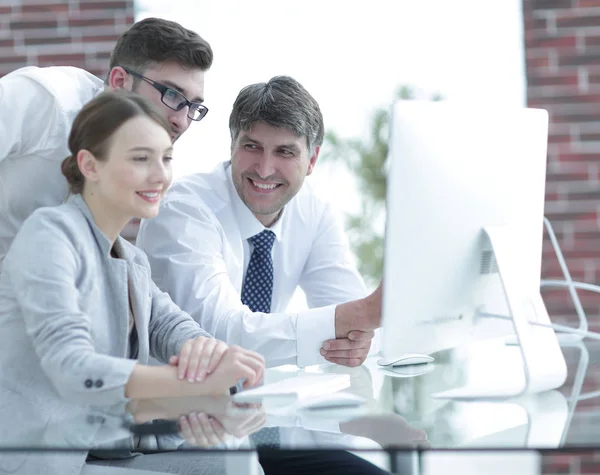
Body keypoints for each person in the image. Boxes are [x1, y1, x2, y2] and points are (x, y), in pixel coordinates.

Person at [0, 91, 265, 475]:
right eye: (141, 158)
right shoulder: (50, 235)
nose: (160, 175)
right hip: (34, 461)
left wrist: (218, 382)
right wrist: (192, 388)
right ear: (89, 165)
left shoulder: (131, 259)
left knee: (233, 459)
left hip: (99, 448)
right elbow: (73, 371)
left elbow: (170, 325)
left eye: (166, 158)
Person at [137, 76, 387, 475]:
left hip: (265, 428)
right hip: (183, 436)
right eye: (251, 146)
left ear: (312, 159)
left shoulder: (314, 212)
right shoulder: (184, 210)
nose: (264, 168)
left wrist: (357, 338)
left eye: (285, 151)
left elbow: (356, 324)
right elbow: (220, 335)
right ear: (232, 146)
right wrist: (353, 320)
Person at [0, 16, 211, 271]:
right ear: (120, 81)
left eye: (193, 106)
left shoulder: (133, 163)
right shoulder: (45, 100)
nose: (182, 121)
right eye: (172, 95)